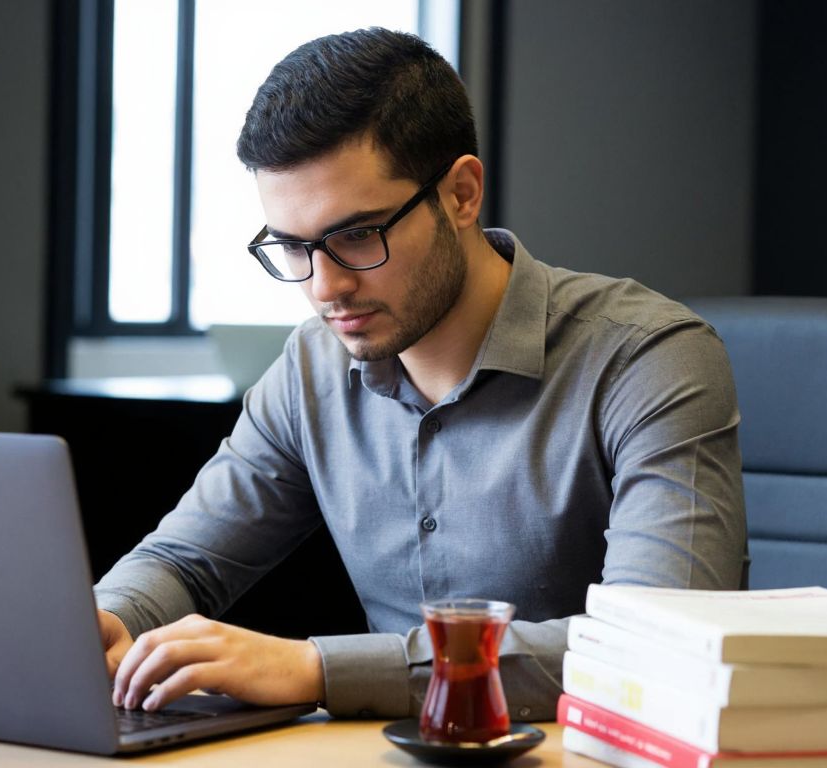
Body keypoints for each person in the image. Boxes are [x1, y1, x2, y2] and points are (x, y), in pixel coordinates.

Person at [93, 27, 746, 721]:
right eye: (293, 246)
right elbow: (184, 560)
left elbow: (653, 650)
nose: (324, 288)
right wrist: (105, 622)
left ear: (462, 194)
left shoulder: (647, 358)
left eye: (355, 236)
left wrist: (318, 669)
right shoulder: (313, 367)